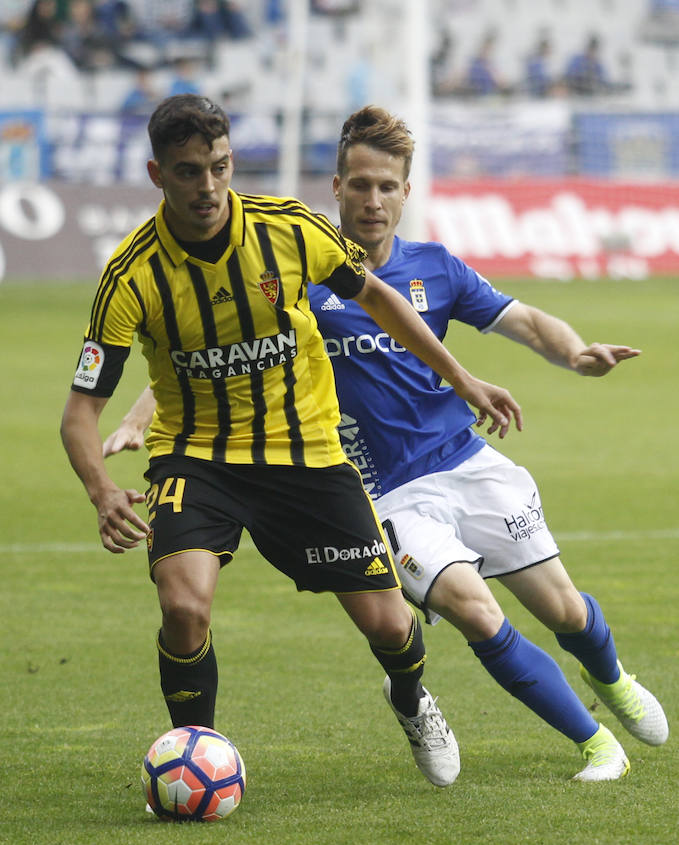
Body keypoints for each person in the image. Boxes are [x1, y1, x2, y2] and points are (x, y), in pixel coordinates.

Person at [107, 105, 669, 782]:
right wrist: (142, 415)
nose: (373, 201)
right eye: (360, 185)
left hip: (464, 461)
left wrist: (576, 352)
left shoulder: (434, 269)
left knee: (563, 609)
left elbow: (520, 319)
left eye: (387, 187)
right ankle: (592, 742)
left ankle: (611, 679)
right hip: (380, 491)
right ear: (337, 188)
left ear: (405, 193)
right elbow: (210, 354)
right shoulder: (295, 266)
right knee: (473, 610)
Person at [61, 94, 523, 792]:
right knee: (183, 603)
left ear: (231, 161)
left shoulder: (287, 230)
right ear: (158, 174)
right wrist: (101, 492)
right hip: (198, 455)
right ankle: (198, 754)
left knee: (391, 627)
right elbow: (79, 412)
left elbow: (378, 298)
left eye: (219, 167)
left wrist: (460, 376)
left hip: (307, 452)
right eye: (188, 172)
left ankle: (409, 698)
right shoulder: (132, 276)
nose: (208, 188)